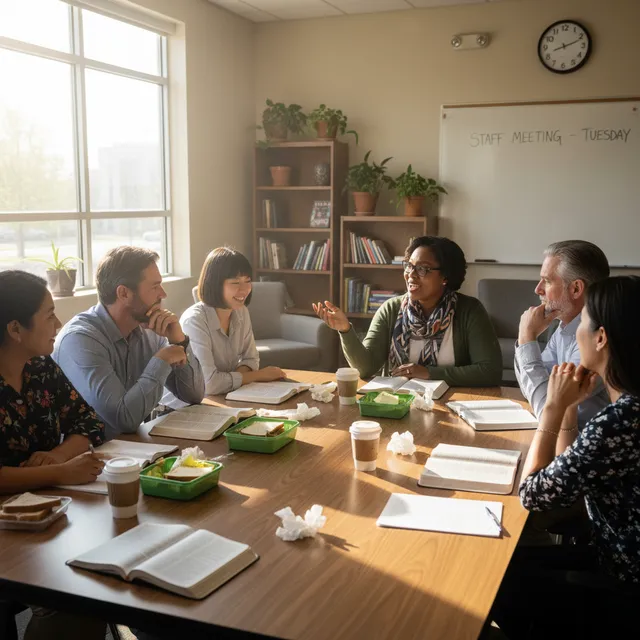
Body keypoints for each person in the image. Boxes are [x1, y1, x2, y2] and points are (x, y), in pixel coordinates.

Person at [489, 276, 640, 638]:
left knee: (497, 578)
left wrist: (553, 410)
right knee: (514, 561)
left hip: (625, 585)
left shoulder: (620, 422)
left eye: (584, 323)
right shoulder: (629, 409)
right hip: (613, 556)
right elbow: (569, 468)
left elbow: (534, 494)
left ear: (600, 338)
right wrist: (570, 408)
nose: (576, 334)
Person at [0, 270, 106, 640]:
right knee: (75, 603)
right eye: (48, 315)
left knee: (94, 583)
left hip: (45, 512)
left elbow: (90, 425)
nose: (58, 324)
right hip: (10, 525)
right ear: (15, 329)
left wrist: (59, 455)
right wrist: (58, 473)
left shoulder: (41, 367)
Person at [53, 247, 205, 439]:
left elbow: (194, 395)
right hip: (88, 457)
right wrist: (162, 360)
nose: (163, 294)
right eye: (154, 286)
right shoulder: (80, 340)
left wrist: (179, 341)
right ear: (124, 293)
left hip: (131, 449)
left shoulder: (149, 330)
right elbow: (123, 419)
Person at [313, 236, 502, 386]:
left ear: (445, 276)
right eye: (409, 266)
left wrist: (429, 372)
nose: (410, 275)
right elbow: (366, 368)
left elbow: (489, 371)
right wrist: (345, 330)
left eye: (422, 269)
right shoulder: (392, 309)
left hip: (453, 403)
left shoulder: (470, 311)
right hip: (399, 402)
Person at [515, 240, 610, 428]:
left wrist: (526, 339)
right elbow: (538, 387)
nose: (538, 289)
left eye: (547, 281)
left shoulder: (597, 340)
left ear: (576, 288)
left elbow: (548, 413)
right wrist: (526, 341)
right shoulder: (565, 327)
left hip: (589, 446)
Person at [179, 247, 284, 396]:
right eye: (235, 283)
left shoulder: (241, 311)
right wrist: (257, 375)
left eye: (247, 281)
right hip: (186, 407)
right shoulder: (194, 322)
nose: (244, 290)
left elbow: (251, 359)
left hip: (225, 397)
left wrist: (236, 380)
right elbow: (209, 384)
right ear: (214, 284)